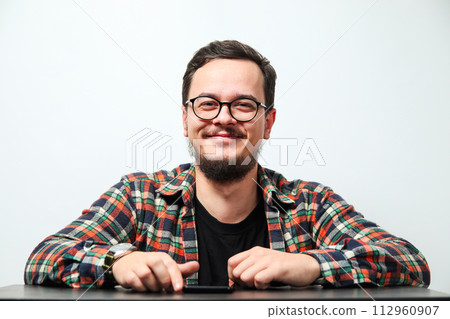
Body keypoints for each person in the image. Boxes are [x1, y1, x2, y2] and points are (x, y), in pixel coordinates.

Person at [24, 40, 430, 292]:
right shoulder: (138, 197)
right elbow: (42, 258)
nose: (223, 117)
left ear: (267, 122)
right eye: (207, 103)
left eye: (243, 105)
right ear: (185, 118)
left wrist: (312, 264)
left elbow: (411, 263)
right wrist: (117, 262)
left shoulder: (310, 203)